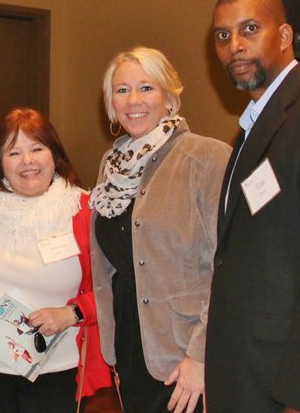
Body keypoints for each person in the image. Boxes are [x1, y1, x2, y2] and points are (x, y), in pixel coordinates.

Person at [206, 0, 300, 413]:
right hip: (244, 371)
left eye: (249, 29)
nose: (234, 46)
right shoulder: (254, 125)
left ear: (284, 36)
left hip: (284, 383)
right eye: (222, 36)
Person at [89, 47, 230, 413]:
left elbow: (231, 267)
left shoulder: (206, 158)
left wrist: (200, 357)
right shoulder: (112, 166)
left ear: (169, 97)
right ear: (111, 104)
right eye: (121, 90)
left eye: (146, 88)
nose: (133, 100)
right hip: (131, 350)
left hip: (186, 358)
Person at [0, 108, 111, 412]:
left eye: (36, 148)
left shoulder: (84, 209)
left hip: (59, 370)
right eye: (14, 152)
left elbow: (116, 285)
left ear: (54, 154)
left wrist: (73, 313)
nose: (27, 161)